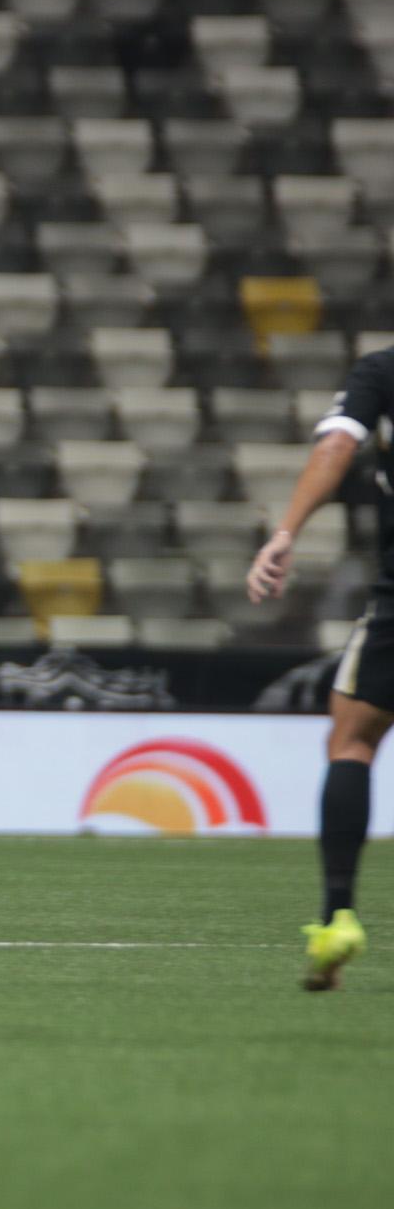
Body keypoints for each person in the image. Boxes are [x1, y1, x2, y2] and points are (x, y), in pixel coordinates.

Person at [246, 350, 393, 989]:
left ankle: (338, 919)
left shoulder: (382, 371)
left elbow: (337, 444)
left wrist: (285, 533)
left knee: (353, 740)